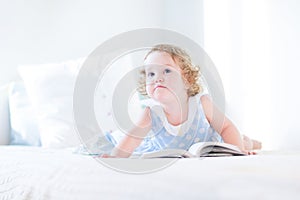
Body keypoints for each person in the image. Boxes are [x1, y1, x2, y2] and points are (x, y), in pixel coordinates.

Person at [105, 44, 261, 158]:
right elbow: (132, 138)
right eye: (151, 74)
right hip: (169, 148)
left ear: (186, 79)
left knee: (239, 141)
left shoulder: (201, 103)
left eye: (166, 70)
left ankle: (251, 142)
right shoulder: (151, 112)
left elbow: (226, 127)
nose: (157, 78)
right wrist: (115, 158)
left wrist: (239, 151)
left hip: (207, 143)